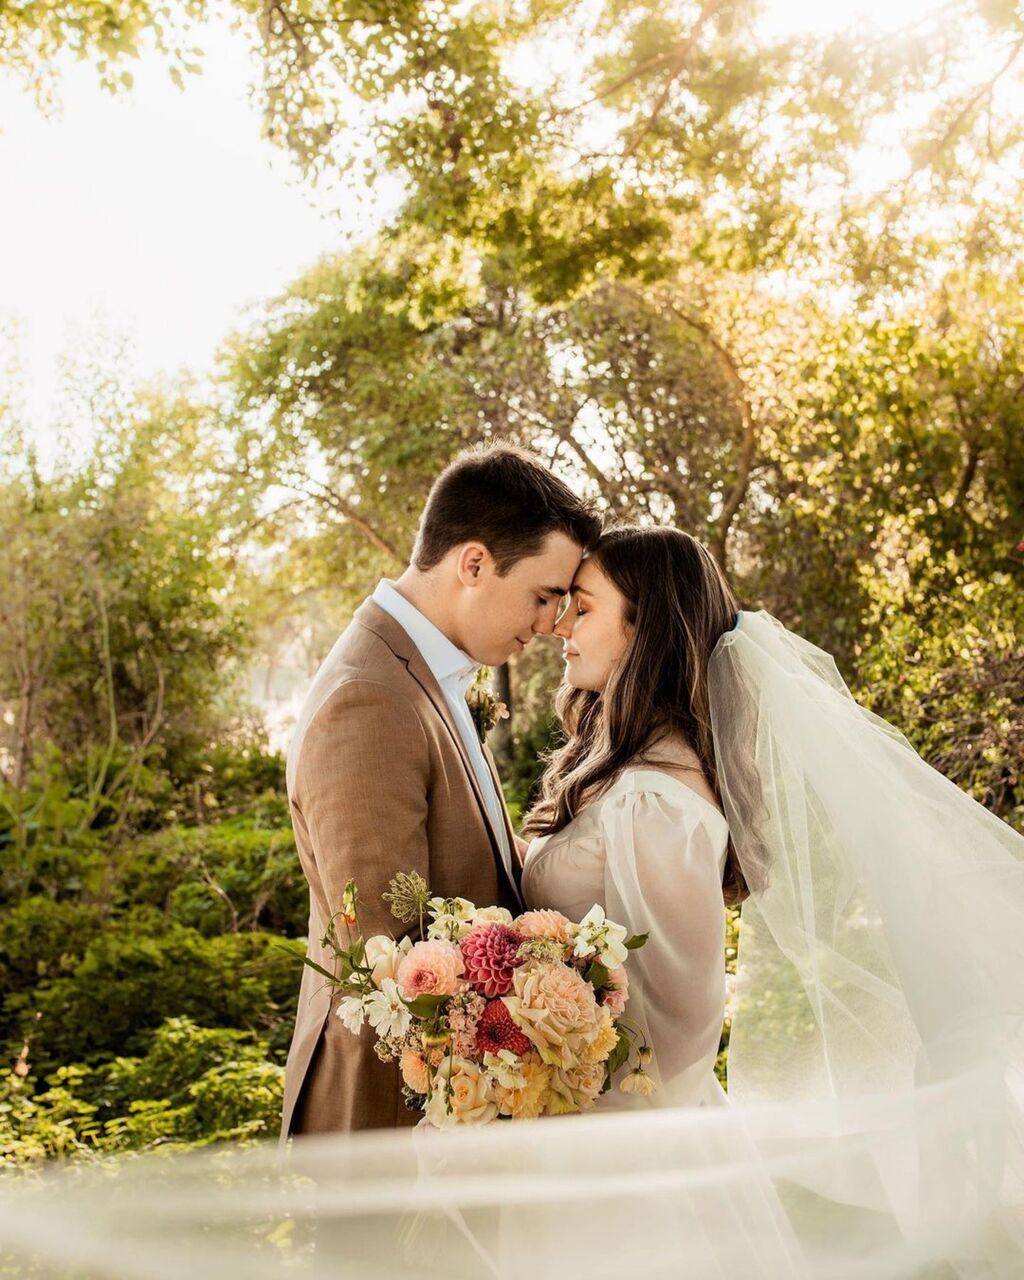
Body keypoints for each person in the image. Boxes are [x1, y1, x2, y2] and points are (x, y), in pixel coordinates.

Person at [280, 441, 601, 1140]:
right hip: (392, 1116)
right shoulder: (369, 700)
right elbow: (391, 957)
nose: (551, 624)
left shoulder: (420, 675)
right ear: (474, 564)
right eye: (543, 595)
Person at [521, 525, 739, 1110]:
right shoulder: (629, 769)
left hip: (617, 1132)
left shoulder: (657, 802)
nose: (561, 626)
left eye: (584, 610)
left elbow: (679, 1026)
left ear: (644, 630)